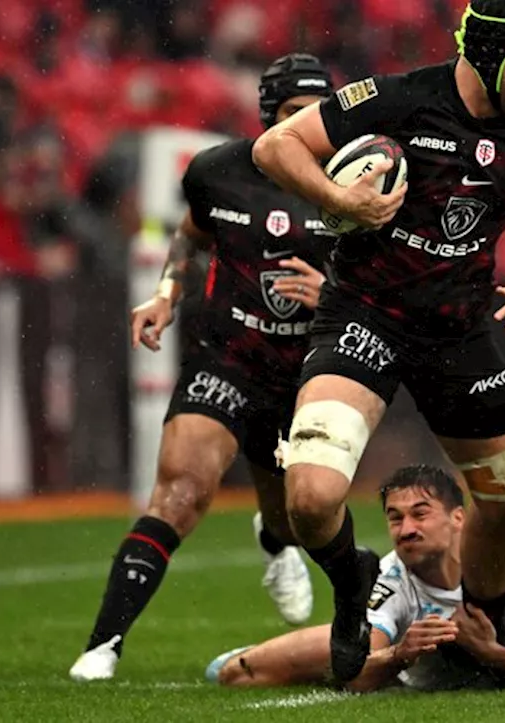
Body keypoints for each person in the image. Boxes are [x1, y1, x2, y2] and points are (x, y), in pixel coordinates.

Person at [251, 0, 505, 683]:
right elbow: (275, 146)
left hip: (456, 331)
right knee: (311, 500)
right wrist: (344, 201)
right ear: (491, 55)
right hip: (365, 314)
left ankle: (478, 630)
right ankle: (353, 582)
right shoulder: (401, 97)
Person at [69, 53, 337, 682]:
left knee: (295, 516)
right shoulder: (218, 172)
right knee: (181, 493)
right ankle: (103, 644)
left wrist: (332, 296)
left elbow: (382, 281)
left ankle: (274, 542)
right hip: (226, 360)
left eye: (321, 113)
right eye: (298, 113)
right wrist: (166, 294)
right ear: (269, 116)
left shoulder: (353, 180)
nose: (313, 126)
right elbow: (191, 237)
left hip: (301, 375)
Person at [205, 464, 505, 692]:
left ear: (458, 518)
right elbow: (354, 678)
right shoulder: (388, 580)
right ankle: (247, 653)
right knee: (233, 674)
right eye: (395, 517)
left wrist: (492, 653)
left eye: (421, 514)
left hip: (480, 626)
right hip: (393, 654)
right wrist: (400, 655)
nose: (406, 529)